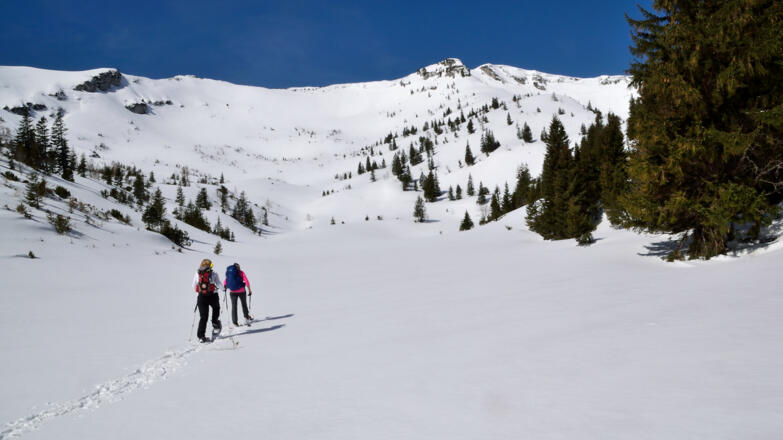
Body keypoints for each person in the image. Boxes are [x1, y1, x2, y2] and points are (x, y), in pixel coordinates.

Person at [192, 259, 222, 343]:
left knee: (203, 317)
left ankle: (201, 336)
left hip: (201, 297)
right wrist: (224, 289)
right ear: (210, 265)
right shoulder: (214, 273)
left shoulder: (197, 273)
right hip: (213, 295)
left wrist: (199, 293)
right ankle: (215, 323)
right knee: (216, 308)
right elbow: (219, 284)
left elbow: (193, 285)